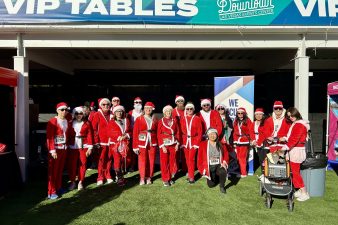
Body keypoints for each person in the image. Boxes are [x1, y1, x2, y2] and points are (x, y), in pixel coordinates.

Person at [281, 107, 310, 202]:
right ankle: (299, 190)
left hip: (296, 150)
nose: (291, 117)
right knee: (294, 172)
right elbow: (293, 137)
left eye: (292, 115)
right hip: (294, 149)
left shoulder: (299, 125)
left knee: (295, 173)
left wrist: (285, 147)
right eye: (289, 116)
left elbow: (295, 139)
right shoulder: (297, 123)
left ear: (296, 114)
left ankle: (304, 192)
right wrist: (286, 139)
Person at [46, 102, 72, 199]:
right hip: (55, 150)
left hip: (63, 148)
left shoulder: (66, 120)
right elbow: (50, 137)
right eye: (62, 110)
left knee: (60, 170)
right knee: (53, 171)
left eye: (66, 110)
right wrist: (52, 150)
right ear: (57, 110)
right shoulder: (52, 121)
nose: (64, 111)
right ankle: (51, 191)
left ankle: (58, 187)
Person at [67, 106, 94, 191]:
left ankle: (81, 181)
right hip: (72, 146)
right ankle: (72, 181)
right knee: (72, 165)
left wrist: (90, 147)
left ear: (83, 114)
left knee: (83, 164)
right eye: (77, 113)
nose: (79, 115)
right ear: (74, 114)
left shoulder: (87, 123)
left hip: (83, 146)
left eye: (81, 113)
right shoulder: (70, 123)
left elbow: (90, 135)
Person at [133, 102, 158, 185]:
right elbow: (135, 133)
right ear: (144, 109)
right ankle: (142, 178)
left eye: (150, 108)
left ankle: (149, 177)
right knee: (142, 160)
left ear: (152, 110)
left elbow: (157, 132)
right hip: (142, 142)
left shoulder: (155, 119)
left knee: (151, 160)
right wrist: (135, 146)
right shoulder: (139, 119)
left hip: (152, 142)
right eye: (147, 108)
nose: (148, 110)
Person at [198, 128, 229, 194]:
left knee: (222, 171)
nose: (212, 136)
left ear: (217, 135)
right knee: (211, 185)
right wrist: (202, 169)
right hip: (209, 166)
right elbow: (199, 158)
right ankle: (216, 177)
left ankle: (222, 186)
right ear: (208, 135)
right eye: (211, 134)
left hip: (218, 165)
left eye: (214, 134)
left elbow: (226, 154)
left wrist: (224, 162)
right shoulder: (202, 144)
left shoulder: (221, 144)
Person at [91, 98, 114, 186]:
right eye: (103, 104)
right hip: (101, 142)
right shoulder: (97, 114)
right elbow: (94, 129)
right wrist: (96, 142)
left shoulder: (112, 114)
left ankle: (108, 175)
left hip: (111, 141)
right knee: (101, 160)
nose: (106, 106)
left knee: (109, 159)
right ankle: (100, 177)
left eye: (107, 104)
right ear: (100, 105)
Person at [107, 105, 131, 187]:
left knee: (125, 160)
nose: (119, 113)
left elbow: (129, 131)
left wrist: (126, 135)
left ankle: (122, 175)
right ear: (114, 112)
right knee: (117, 160)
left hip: (125, 143)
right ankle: (119, 177)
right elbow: (109, 132)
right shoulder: (111, 121)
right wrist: (118, 137)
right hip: (115, 144)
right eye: (117, 111)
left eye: (121, 111)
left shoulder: (126, 120)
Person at [157, 105, 180, 187]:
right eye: (167, 111)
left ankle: (170, 177)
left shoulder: (174, 120)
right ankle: (165, 179)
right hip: (165, 144)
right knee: (164, 162)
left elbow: (177, 132)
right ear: (164, 112)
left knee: (171, 162)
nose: (168, 112)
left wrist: (177, 143)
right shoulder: (161, 121)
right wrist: (162, 146)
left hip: (173, 144)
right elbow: (159, 134)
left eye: (170, 111)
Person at [180, 102, 202, 184]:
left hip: (193, 142)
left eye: (191, 109)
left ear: (193, 109)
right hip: (185, 142)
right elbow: (180, 132)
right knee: (187, 160)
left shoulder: (197, 118)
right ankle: (190, 174)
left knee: (191, 159)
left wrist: (196, 143)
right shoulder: (182, 118)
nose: (189, 110)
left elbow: (200, 132)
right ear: (185, 110)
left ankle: (192, 178)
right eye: (187, 109)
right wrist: (182, 142)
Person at [233, 107, 253, 177]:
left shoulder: (248, 120)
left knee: (242, 157)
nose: (240, 114)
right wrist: (235, 141)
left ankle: (244, 173)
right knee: (238, 157)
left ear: (244, 113)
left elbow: (251, 131)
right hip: (238, 141)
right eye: (239, 113)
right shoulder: (236, 121)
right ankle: (240, 172)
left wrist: (251, 140)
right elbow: (235, 132)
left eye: (242, 113)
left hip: (245, 141)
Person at [249, 108, 269, 174]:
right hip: (256, 142)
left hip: (264, 143)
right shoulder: (253, 123)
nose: (258, 116)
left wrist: (259, 142)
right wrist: (254, 140)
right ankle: (264, 173)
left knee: (263, 159)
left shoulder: (265, 122)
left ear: (263, 115)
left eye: (260, 114)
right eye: (257, 114)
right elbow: (251, 132)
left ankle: (265, 173)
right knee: (260, 158)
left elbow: (264, 133)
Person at [171, 95, 187, 174]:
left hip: (185, 135)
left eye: (182, 101)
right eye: (178, 101)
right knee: (176, 152)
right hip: (177, 134)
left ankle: (185, 169)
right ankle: (175, 170)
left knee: (184, 152)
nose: (180, 103)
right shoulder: (173, 111)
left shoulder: (187, 110)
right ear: (176, 103)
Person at [127, 97, 143, 171]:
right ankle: (132, 166)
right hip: (132, 134)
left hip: (142, 135)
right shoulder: (130, 113)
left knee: (141, 151)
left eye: (139, 102)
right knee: (132, 151)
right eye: (136, 102)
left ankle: (141, 166)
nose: (138, 104)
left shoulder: (143, 112)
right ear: (134, 104)